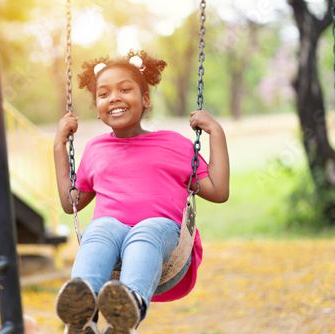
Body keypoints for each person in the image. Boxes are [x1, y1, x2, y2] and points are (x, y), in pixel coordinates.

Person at [54, 50, 229, 334]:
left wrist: (215, 131)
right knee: (99, 229)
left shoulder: (174, 144)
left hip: (163, 234)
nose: (114, 98)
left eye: (125, 89)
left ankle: (127, 308)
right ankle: (81, 316)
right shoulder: (95, 149)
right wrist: (59, 146)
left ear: (145, 99)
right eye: (104, 94)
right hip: (112, 235)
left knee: (146, 230)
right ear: (98, 110)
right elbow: (70, 202)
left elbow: (218, 191)